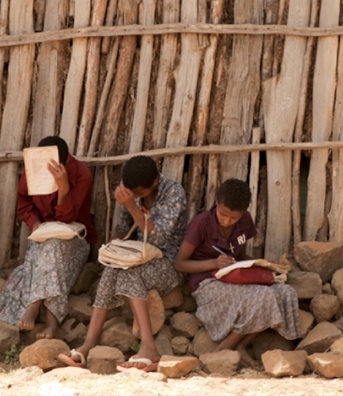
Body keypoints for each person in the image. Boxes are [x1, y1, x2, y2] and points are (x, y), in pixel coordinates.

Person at [59, 155, 186, 372]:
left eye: (140, 194)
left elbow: (158, 238)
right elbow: (124, 226)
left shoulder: (174, 193)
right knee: (110, 270)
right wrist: (115, 243)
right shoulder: (131, 191)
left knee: (129, 274)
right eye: (132, 193)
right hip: (137, 257)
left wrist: (131, 205)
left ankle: (149, 348)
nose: (135, 197)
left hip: (167, 263)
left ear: (155, 182)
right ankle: (88, 344)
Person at [175, 178, 300, 369]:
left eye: (234, 218)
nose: (227, 221)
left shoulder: (245, 221)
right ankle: (224, 349)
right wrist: (214, 263)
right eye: (223, 214)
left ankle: (241, 346)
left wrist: (264, 266)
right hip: (208, 283)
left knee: (285, 292)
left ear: (243, 212)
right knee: (262, 296)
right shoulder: (201, 224)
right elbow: (180, 263)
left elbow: (239, 254)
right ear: (216, 201)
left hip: (235, 278)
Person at [0, 136, 96, 338]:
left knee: (52, 250)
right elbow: (23, 202)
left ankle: (34, 304)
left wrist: (63, 189)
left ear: (64, 164)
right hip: (43, 234)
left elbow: (68, 218)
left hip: (74, 237)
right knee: (45, 253)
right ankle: (52, 324)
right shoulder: (34, 168)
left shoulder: (82, 175)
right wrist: (34, 223)